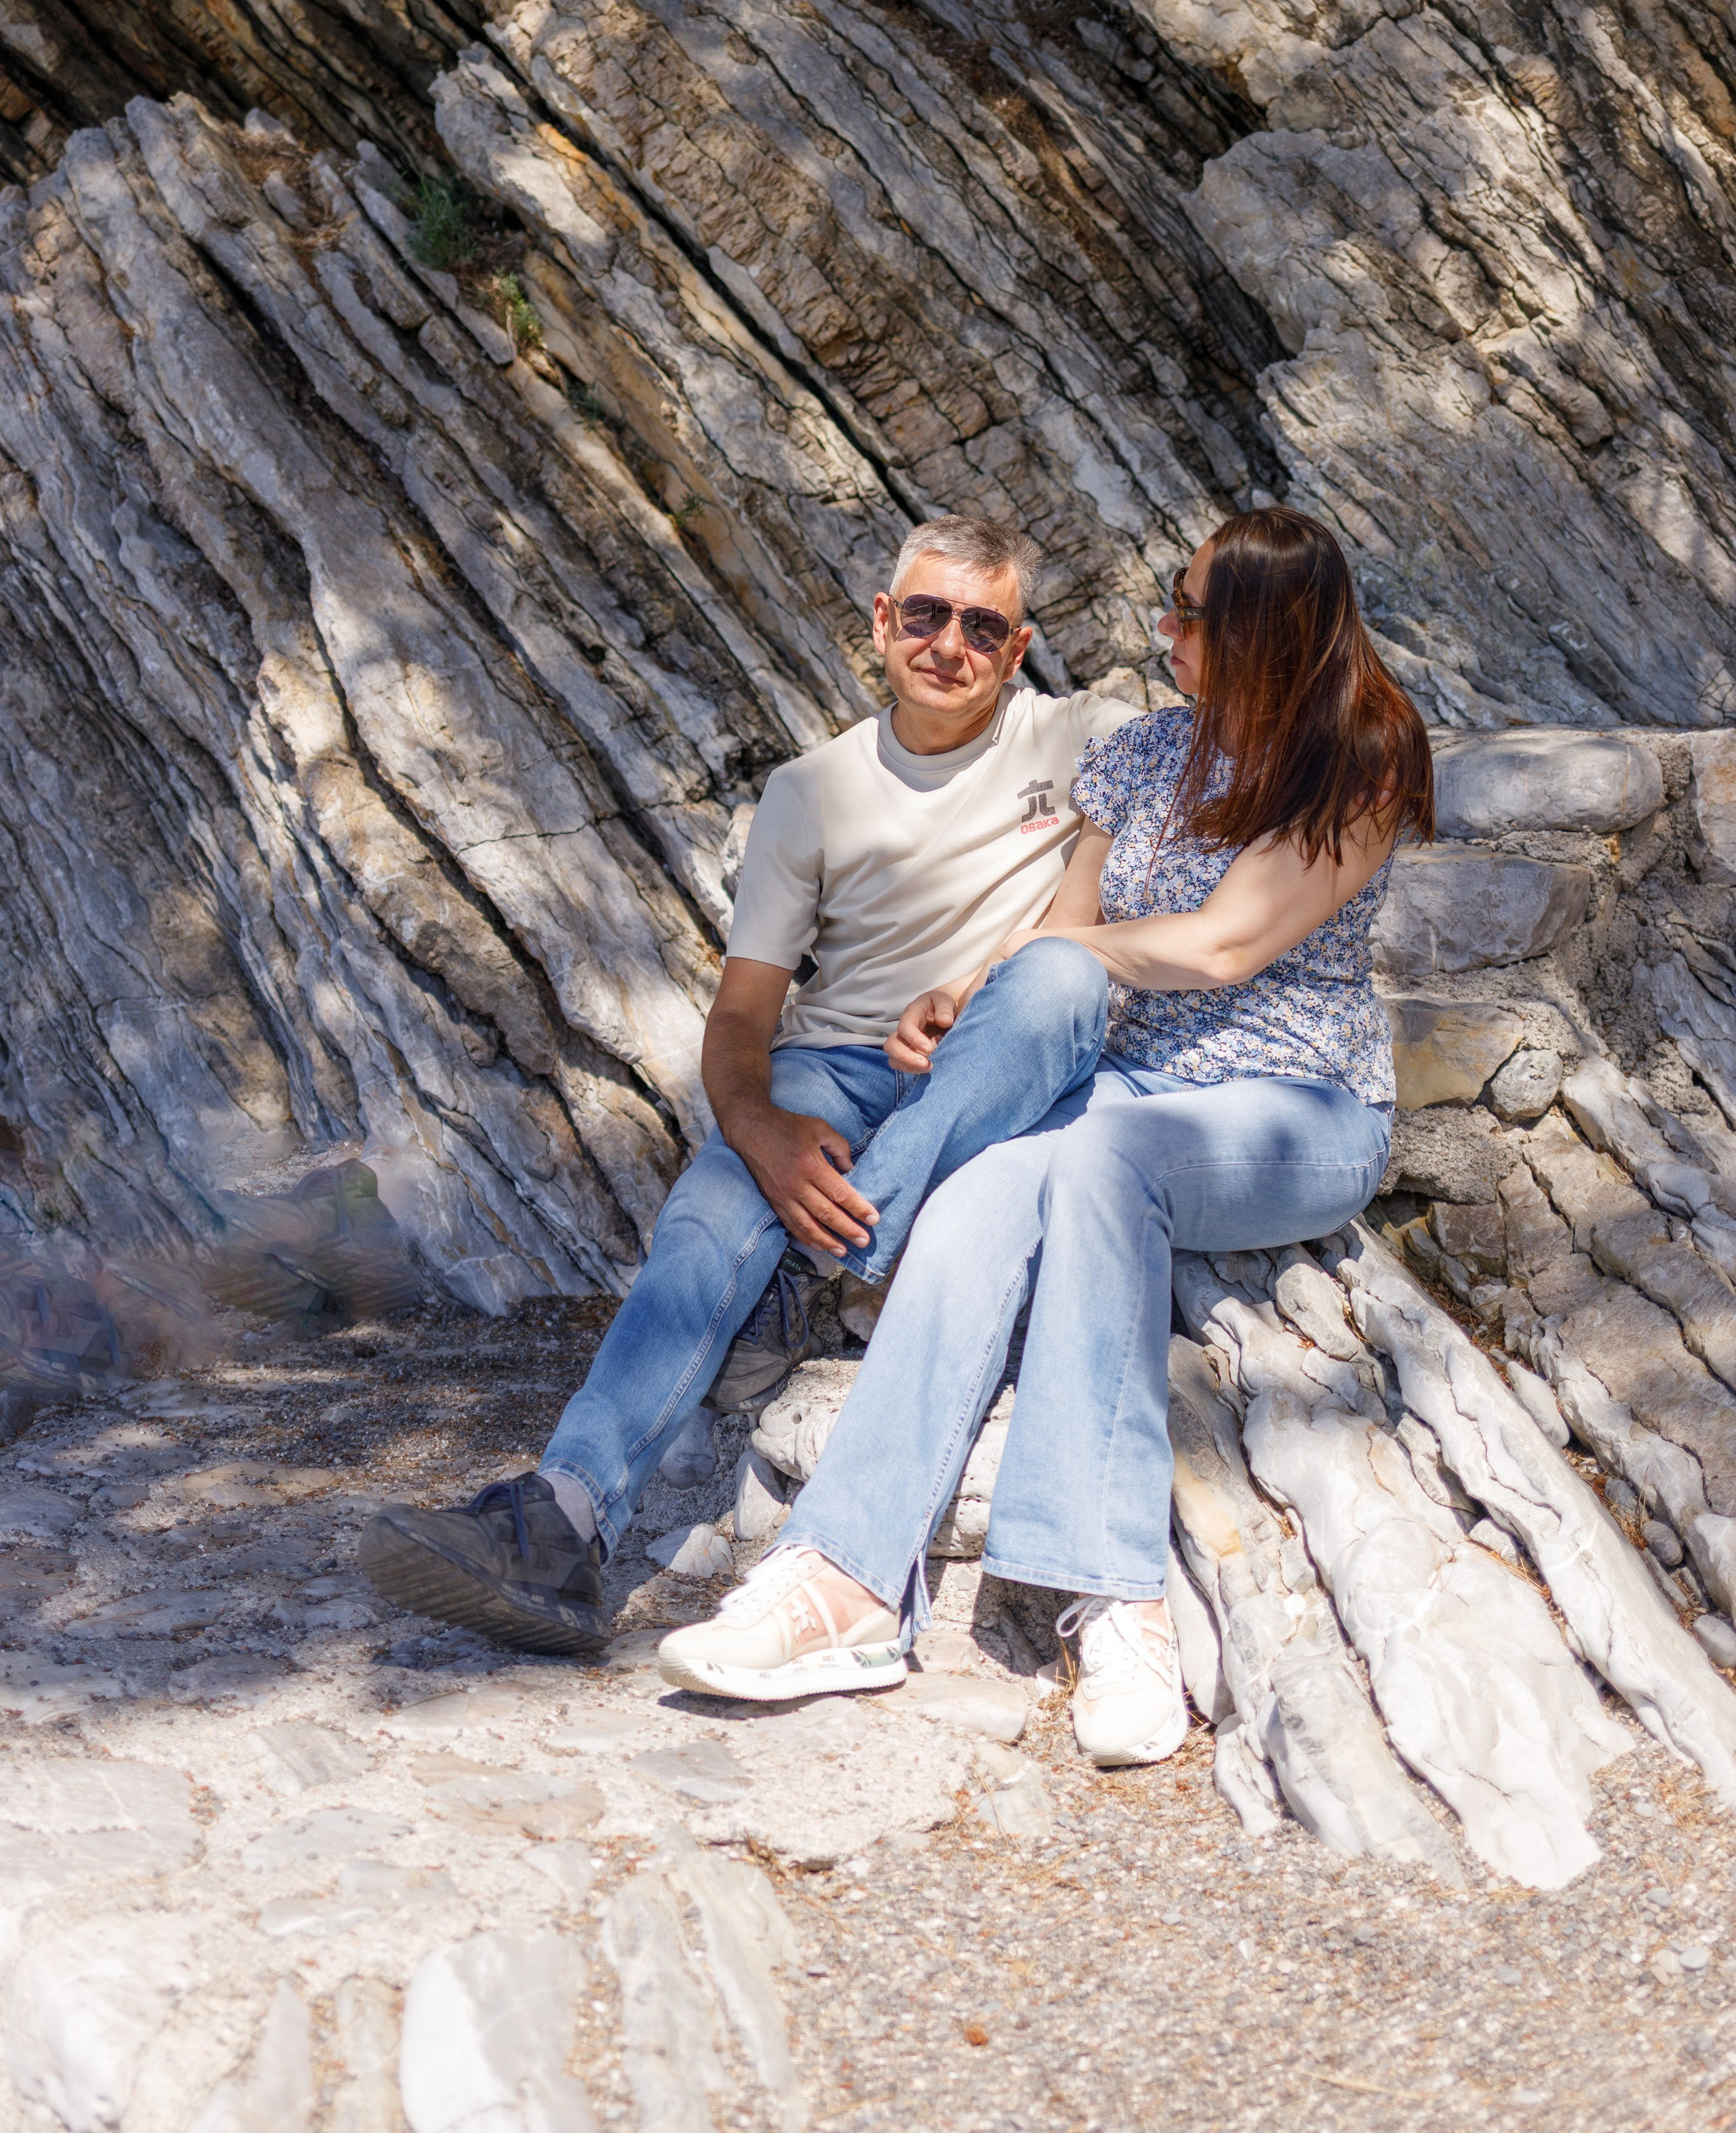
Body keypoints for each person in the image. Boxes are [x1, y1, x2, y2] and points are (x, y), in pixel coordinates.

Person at [656, 507, 1433, 1768]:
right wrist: (976, 994)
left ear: (1259, 633)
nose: (1165, 632)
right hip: (1128, 1085)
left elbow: (1226, 944)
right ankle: (843, 1582)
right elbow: (1068, 934)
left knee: (1101, 1163)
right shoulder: (1139, 759)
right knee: (989, 1189)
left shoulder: (1361, 757)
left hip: (1298, 1106)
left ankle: (1111, 1592)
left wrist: (1057, 956)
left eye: (1187, 614)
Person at [359, 515, 1132, 1652]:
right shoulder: (811, 790)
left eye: (982, 626)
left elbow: (1249, 732)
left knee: (1063, 985)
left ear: (1017, 649)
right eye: (925, 615)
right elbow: (742, 1017)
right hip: (843, 1068)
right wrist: (761, 1132)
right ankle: (561, 1517)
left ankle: (817, 1268)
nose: (949, 644)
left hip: (1006, 1062)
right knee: (716, 1207)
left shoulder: (1087, 738)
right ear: (882, 622)